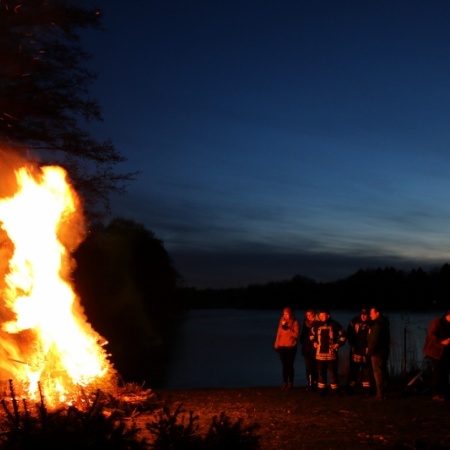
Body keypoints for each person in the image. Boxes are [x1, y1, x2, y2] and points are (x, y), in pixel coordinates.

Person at [310, 309, 346, 396]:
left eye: (323, 316)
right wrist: (314, 342)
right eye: (320, 316)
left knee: (333, 373)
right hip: (319, 355)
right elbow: (311, 335)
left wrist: (338, 344)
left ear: (328, 316)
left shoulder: (335, 324)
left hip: (331, 355)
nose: (322, 318)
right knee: (321, 373)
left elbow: (343, 335)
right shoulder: (316, 325)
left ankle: (335, 391)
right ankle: (322, 392)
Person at [423, 310, 450, 401]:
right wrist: (441, 342)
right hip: (435, 350)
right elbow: (431, 335)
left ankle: (444, 392)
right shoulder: (437, 322)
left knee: (445, 372)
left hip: (446, 351)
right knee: (438, 372)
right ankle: (437, 393)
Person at [346, 307, 372, 395]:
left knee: (366, 371)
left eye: (365, 315)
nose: (363, 317)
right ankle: (350, 388)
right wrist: (352, 343)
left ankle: (367, 389)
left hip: (366, 351)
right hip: (356, 350)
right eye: (362, 315)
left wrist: (369, 347)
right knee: (354, 370)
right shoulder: (355, 321)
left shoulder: (371, 323)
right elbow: (349, 332)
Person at [274, 307, 300, 390]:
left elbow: (296, 335)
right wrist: (276, 344)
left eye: (286, 314)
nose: (285, 315)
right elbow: (279, 333)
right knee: (284, 365)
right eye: (284, 313)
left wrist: (288, 328)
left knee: (290, 365)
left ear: (291, 314)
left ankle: (290, 383)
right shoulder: (282, 321)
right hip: (282, 346)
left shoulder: (295, 322)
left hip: (291, 346)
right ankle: (284, 382)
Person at [367, 306, 390, 399]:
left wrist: (370, 351)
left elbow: (374, 340)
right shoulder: (383, 323)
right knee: (382, 370)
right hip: (383, 351)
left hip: (377, 352)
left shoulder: (377, 325)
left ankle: (380, 393)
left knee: (378, 373)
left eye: (372, 313)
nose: (370, 315)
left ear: (377, 313)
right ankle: (384, 389)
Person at [299, 308, 318, 391]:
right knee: (308, 367)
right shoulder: (306, 323)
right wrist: (302, 342)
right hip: (306, 348)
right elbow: (303, 335)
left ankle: (315, 383)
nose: (309, 317)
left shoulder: (317, 324)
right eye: (307, 315)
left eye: (310, 315)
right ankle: (309, 383)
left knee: (315, 367)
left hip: (314, 347)